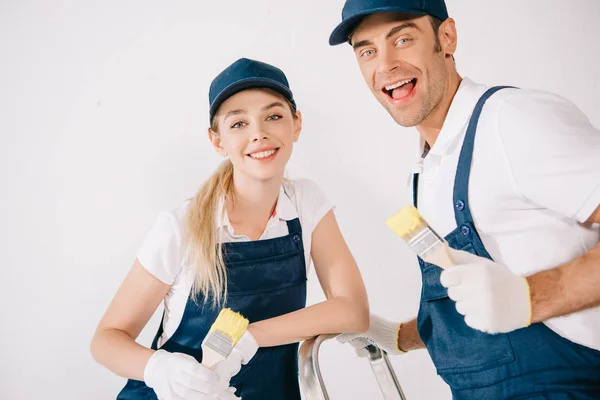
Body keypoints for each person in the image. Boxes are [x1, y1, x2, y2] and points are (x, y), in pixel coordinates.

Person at [330, 1, 600, 398]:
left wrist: (531, 297)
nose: (385, 65)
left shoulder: (511, 120)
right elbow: (476, 303)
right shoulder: (428, 168)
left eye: (402, 38)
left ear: (447, 37)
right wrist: (395, 335)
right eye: (367, 50)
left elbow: (511, 302)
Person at [90, 57, 369, 400]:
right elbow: (106, 339)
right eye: (238, 123)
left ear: (296, 124)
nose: (258, 133)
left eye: (274, 116)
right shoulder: (181, 227)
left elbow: (352, 310)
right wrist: (159, 369)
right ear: (217, 140)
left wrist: (247, 336)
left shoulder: (306, 202)